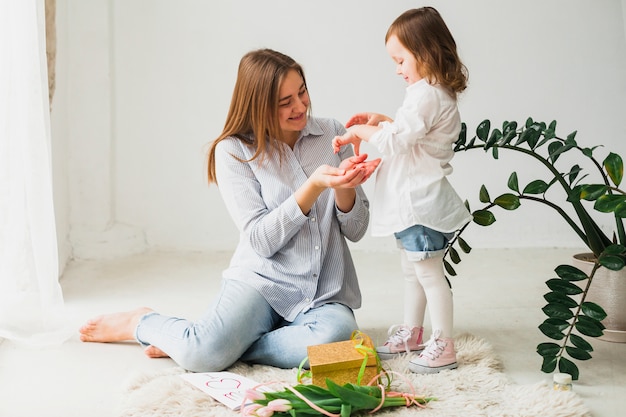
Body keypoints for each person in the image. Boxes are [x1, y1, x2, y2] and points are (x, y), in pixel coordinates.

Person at [79, 48, 381, 372]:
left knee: (337, 346)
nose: (300, 106)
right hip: (263, 282)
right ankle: (143, 322)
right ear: (258, 106)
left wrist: (344, 186)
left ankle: (218, 345)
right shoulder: (233, 151)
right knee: (200, 357)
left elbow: (357, 230)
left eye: (302, 92)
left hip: (325, 292)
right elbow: (261, 241)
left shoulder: (332, 133)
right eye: (284, 102)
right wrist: (313, 188)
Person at [332, 7, 471, 374]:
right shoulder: (432, 92)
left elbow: (395, 144)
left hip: (419, 205)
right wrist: (384, 121)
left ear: (424, 52)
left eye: (400, 59)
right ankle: (413, 332)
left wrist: (362, 133)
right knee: (414, 272)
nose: (397, 69)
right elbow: (413, 136)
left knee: (428, 274)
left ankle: (444, 344)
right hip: (414, 204)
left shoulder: (425, 93)